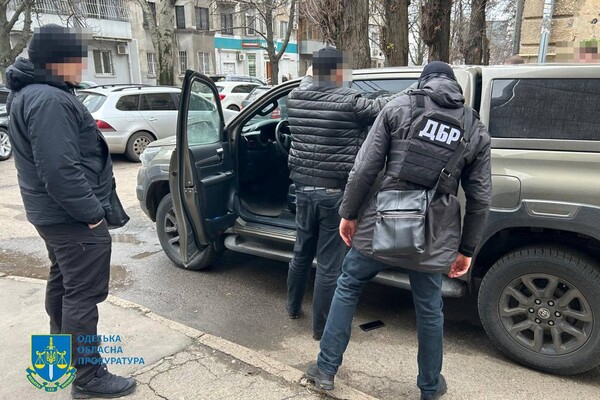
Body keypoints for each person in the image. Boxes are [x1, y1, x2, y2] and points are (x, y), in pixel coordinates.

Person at [304, 61, 492, 400]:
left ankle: (326, 369)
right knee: (429, 309)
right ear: (454, 87)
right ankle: (430, 388)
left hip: (382, 222)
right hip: (432, 235)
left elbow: (364, 168)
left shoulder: (399, 106)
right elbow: (480, 197)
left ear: (424, 82)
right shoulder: (473, 126)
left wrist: (348, 213)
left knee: (348, 286)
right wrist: (466, 249)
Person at [6, 25, 136, 398]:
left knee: (63, 283)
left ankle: (59, 357)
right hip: (71, 218)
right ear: (56, 61)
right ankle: (88, 377)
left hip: (53, 215)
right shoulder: (49, 99)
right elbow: (60, 170)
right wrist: (92, 214)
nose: (83, 65)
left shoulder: (33, 92)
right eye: (77, 58)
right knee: (82, 294)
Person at [286, 47, 398, 341]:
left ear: (313, 71)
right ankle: (321, 329)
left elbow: (308, 85)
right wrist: (414, 90)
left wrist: (312, 75)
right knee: (328, 265)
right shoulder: (350, 101)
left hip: (301, 189)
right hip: (333, 193)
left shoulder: (294, 97)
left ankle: (293, 308)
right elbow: (385, 106)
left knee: (301, 252)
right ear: (338, 73)